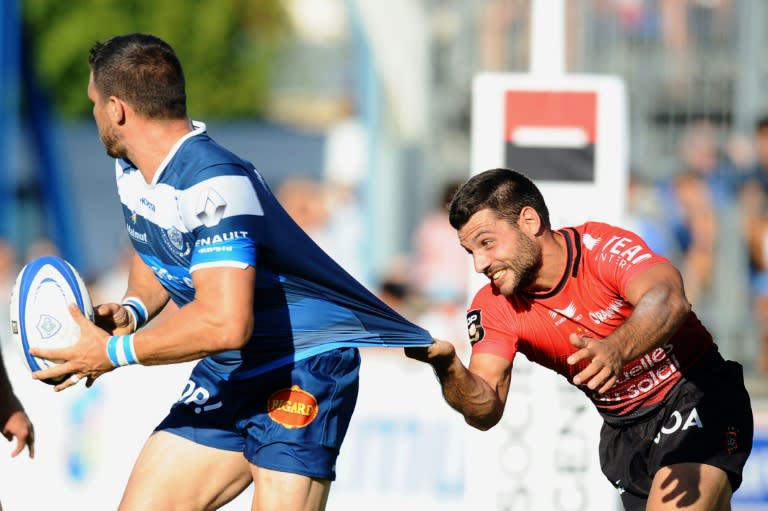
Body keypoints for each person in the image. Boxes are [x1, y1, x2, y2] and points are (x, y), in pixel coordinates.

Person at [29, 33, 431, 511]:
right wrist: (133, 311)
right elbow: (156, 245)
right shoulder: (135, 169)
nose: (94, 115)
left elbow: (225, 323)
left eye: (94, 103)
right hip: (232, 369)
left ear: (117, 109)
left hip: (303, 363)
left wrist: (113, 351)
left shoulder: (213, 183)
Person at [406, 168, 753, 510]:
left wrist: (618, 346)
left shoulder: (601, 248)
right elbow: (485, 410)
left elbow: (669, 297)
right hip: (625, 432)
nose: (480, 264)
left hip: (695, 394)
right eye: (471, 253)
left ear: (529, 221)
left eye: (487, 244)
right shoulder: (493, 306)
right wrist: (448, 366)